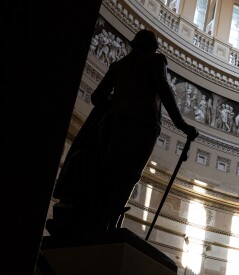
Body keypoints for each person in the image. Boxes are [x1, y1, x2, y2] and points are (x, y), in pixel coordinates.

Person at [48, 28, 199, 238]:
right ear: (152, 47)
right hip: (141, 126)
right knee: (127, 175)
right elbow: (164, 90)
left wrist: (117, 103)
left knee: (104, 171)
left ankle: (97, 218)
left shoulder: (118, 65)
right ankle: (108, 222)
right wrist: (182, 125)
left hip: (111, 124)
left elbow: (96, 97)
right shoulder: (156, 61)